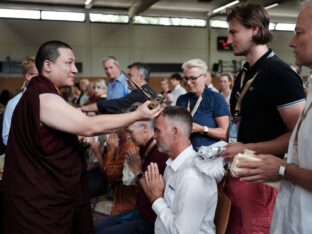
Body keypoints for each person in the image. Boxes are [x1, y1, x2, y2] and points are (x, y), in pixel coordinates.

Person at [2, 40, 162, 234]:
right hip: (41, 197)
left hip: (41, 190)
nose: (75, 69)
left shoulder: (40, 94)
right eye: (69, 63)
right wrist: (138, 115)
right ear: (48, 65)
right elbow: (89, 126)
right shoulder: (43, 97)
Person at [219, 3, 306, 233]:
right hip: (238, 171)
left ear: (255, 30)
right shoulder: (244, 74)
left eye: (234, 31)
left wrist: (247, 147)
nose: (229, 39)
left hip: (263, 180)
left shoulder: (280, 74)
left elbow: (297, 136)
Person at [142, 106, 218, 234]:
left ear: (175, 132)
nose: (154, 136)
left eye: (157, 130)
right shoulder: (174, 164)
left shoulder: (192, 177)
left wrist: (156, 199)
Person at [95, 113, 168, 234]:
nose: (128, 136)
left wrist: (138, 171)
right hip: (140, 210)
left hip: (152, 219)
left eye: (130, 132)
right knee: (98, 227)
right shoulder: (143, 148)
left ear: (145, 128)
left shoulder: (158, 154)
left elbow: (153, 194)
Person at [176, 58, 230, 150]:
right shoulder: (181, 100)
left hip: (209, 158)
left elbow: (225, 133)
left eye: (193, 78)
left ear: (204, 77)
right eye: (186, 78)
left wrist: (202, 129)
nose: (188, 82)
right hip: (185, 155)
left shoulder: (216, 98)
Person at [81, 62, 158, 114]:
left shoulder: (140, 94)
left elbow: (115, 104)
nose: (126, 79)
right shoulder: (150, 92)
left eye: (130, 76)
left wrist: (84, 108)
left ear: (141, 78)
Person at [2, 57, 38, 146]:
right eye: (40, 75)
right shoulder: (14, 103)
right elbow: (6, 137)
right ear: (28, 76)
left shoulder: (49, 100)